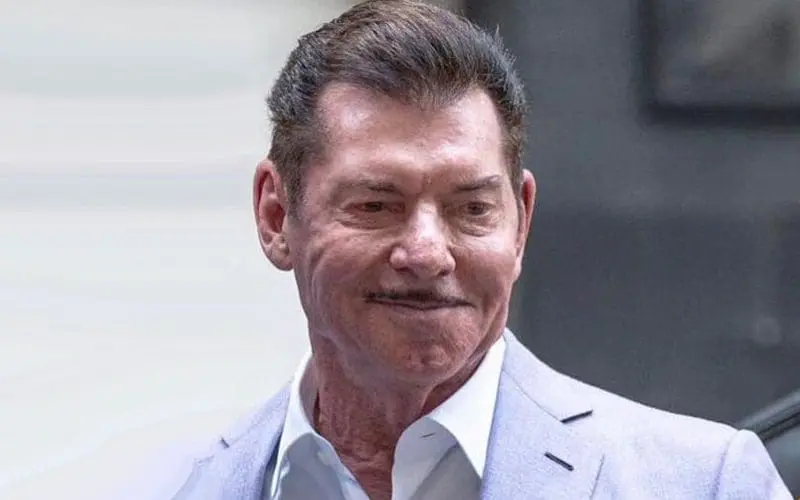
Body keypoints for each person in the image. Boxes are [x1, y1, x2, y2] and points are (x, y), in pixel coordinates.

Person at [130, 1, 792, 498]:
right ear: (277, 216)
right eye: (376, 205)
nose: (427, 253)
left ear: (520, 223)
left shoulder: (701, 483)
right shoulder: (186, 487)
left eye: (471, 209)